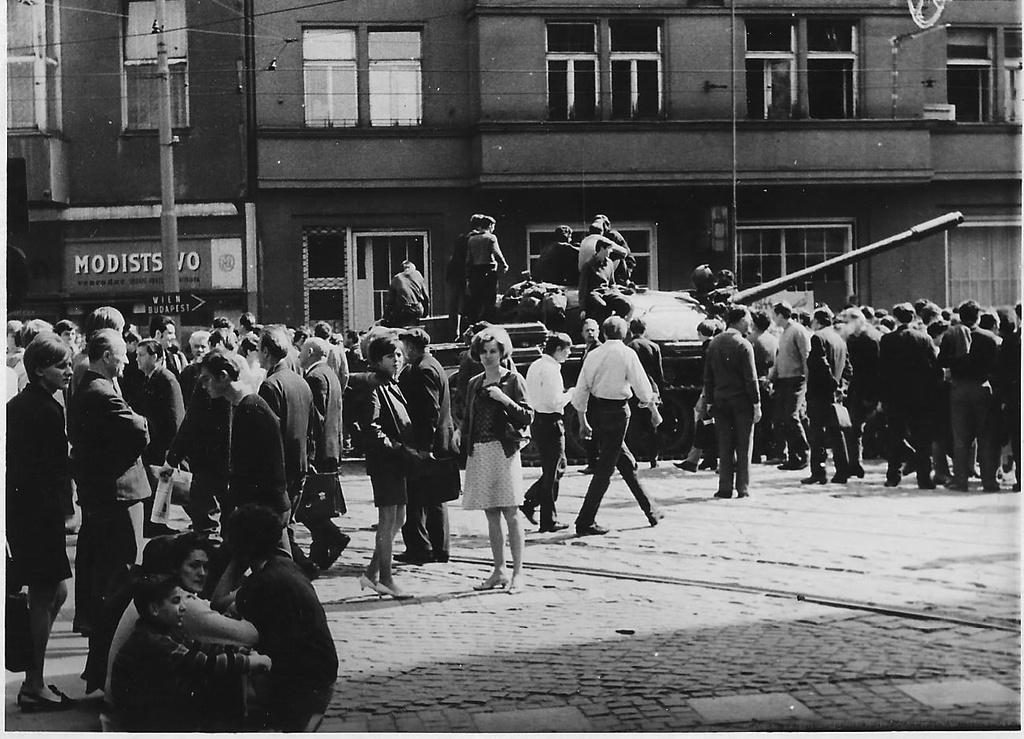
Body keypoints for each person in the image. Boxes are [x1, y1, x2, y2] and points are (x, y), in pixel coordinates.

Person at [211, 504, 338, 731]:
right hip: (321, 675)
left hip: (302, 686)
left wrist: (234, 562)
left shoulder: (260, 583)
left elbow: (218, 603)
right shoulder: (285, 566)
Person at [7, 332, 77, 712]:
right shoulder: (48, 409)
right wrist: (68, 508)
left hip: (24, 513)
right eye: (61, 365)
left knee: (54, 593)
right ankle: (33, 683)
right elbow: (54, 469)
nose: (67, 371)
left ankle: (34, 678)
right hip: (40, 514)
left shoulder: (19, 405)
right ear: (39, 369)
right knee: (45, 594)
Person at [104, 533, 260, 704]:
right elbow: (249, 636)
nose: (202, 573)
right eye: (194, 566)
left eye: (206, 567)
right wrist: (251, 586)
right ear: (176, 567)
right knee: (224, 674)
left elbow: (208, 624)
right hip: (133, 707)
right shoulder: (177, 603)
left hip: (127, 694)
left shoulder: (166, 593)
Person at [68, 329, 151, 639]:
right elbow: (138, 430)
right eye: (122, 355)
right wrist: (141, 421)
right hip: (118, 495)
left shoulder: (92, 387)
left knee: (103, 566)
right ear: (106, 357)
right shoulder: (101, 392)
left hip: (104, 492)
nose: (127, 361)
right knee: (123, 566)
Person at [109, 574, 271, 732]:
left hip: (152, 700)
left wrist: (239, 650)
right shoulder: (154, 640)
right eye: (176, 601)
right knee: (215, 681)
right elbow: (205, 663)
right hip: (142, 713)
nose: (184, 606)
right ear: (154, 609)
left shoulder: (165, 628)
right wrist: (251, 662)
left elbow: (198, 647)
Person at [455, 326, 533, 593]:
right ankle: (499, 570)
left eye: (493, 351)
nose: (488, 356)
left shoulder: (512, 380)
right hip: (480, 450)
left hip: (504, 450)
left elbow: (527, 415)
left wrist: (503, 399)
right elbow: (468, 417)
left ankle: (518, 573)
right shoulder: (474, 382)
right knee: (491, 513)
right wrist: (462, 439)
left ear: (502, 353)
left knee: (511, 512)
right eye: (484, 351)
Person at [572, 316, 663, 536]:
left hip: (597, 411)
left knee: (624, 462)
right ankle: (585, 520)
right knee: (606, 467)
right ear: (625, 334)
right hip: (619, 412)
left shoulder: (593, 355)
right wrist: (654, 411)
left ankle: (650, 510)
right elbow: (642, 388)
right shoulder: (627, 354)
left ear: (603, 333)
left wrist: (582, 420)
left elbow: (581, 389)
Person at [195, 349, 290, 542]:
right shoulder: (247, 405)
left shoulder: (250, 409)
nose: (203, 386)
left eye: (207, 379)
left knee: (271, 564)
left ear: (223, 376)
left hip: (265, 508)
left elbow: (252, 469)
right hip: (268, 505)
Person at [354, 332, 418, 598]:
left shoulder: (392, 383)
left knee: (399, 517)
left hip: (396, 460)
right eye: (391, 356)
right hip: (385, 462)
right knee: (388, 519)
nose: (397, 360)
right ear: (377, 360)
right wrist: (395, 448)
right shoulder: (374, 385)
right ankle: (386, 579)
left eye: (399, 355)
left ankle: (371, 574)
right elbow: (371, 427)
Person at [257, 326, 319, 578]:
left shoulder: (271, 386)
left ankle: (292, 574)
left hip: (280, 471)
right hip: (300, 466)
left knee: (276, 527)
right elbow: (312, 428)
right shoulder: (300, 383)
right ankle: (301, 567)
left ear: (265, 351)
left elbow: (269, 437)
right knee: (285, 525)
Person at [396, 327, 460, 564]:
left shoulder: (423, 370)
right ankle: (437, 549)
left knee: (421, 498)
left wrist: (425, 446)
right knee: (434, 498)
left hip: (429, 445)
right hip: (439, 441)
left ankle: (423, 548)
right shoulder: (433, 365)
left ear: (411, 347)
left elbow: (429, 411)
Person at [938, 300, 1001, 492]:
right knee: (986, 437)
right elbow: (995, 367)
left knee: (961, 438)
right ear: (978, 316)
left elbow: (941, 360)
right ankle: (989, 481)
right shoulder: (989, 338)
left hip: (959, 388)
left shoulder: (951, 335)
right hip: (982, 388)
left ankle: (961, 480)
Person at [299, 337, 351, 570]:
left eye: (301, 350)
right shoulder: (330, 374)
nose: (298, 355)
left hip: (320, 452)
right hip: (331, 449)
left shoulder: (315, 377)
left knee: (308, 507)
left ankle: (334, 536)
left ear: (310, 351)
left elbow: (315, 420)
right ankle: (319, 553)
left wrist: (309, 455)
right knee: (316, 505)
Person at [880, 303, 942, 489]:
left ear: (896, 318)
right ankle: (924, 477)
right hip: (919, 395)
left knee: (895, 435)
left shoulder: (887, 340)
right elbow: (934, 367)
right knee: (922, 436)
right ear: (913, 317)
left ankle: (893, 475)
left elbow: (882, 370)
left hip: (896, 395)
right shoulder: (924, 338)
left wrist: (884, 396)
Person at [703, 306, 762, 499]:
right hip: (742, 402)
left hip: (720, 401)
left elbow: (708, 377)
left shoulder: (714, 343)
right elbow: (751, 379)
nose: (750, 323)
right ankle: (743, 488)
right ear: (740, 321)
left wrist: (709, 402)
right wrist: (756, 404)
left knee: (725, 445)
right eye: (748, 320)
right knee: (744, 445)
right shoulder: (744, 345)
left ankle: (724, 487)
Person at [521, 332, 574, 532]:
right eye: (567, 350)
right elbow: (554, 401)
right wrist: (570, 394)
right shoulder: (552, 370)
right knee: (555, 470)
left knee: (553, 468)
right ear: (559, 350)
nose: (569, 354)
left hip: (537, 421)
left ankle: (532, 503)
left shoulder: (536, 365)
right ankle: (546, 518)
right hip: (551, 421)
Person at [135, 339, 186, 536]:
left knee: (160, 487)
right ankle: (153, 524)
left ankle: (157, 525)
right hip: (151, 445)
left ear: (154, 357)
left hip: (161, 446)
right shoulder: (150, 378)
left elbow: (175, 419)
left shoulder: (166, 380)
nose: (137, 359)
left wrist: (169, 450)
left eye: (141, 355)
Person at [801, 307, 852, 485]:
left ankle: (818, 471)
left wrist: (831, 384)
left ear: (817, 321)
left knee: (817, 435)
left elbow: (820, 364)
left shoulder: (818, 338)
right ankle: (842, 470)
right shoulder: (839, 339)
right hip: (834, 394)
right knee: (836, 433)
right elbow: (848, 367)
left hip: (819, 392)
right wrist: (841, 387)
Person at [838, 307, 880, 479]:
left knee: (858, 427)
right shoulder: (857, 338)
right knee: (855, 427)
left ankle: (913, 457)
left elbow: (875, 369)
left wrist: (872, 395)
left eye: (847, 322)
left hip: (865, 390)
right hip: (858, 390)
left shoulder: (869, 340)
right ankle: (855, 464)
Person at [767, 301, 810, 471]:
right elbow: (779, 361)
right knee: (782, 419)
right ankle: (793, 457)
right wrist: (771, 378)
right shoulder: (784, 333)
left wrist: (808, 381)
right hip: (784, 382)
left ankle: (803, 454)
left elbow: (806, 357)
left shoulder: (798, 331)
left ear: (780, 314)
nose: (773, 318)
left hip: (797, 380)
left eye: (774, 314)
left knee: (791, 417)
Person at [627, 317, 665, 468]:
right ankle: (653, 459)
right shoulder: (654, 346)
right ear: (644, 329)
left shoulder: (629, 346)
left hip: (635, 388)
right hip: (651, 387)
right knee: (652, 426)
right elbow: (659, 372)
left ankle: (633, 459)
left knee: (634, 425)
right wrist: (659, 393)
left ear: (631, 330)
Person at [463, 214, 509, 324]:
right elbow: (496, 253)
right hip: (488, 271)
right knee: (489, 300)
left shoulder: (471, 239)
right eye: (493, 226)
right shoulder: (491, 238)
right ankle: (489, 323)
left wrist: (468, 275)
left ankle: (475, 324)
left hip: (475, 272)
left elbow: (469, 259)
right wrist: (504, 264)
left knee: (476, 300)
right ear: (489, 226)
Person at [748, 310, 779, 464]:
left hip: (755, 382)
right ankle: (771, 451)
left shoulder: (750, 340)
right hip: (769, 382)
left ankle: (755, 453)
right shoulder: (774, 340)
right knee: (768, 420)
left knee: (754, 421)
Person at [579, 238, 632, 325]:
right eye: (608, 249)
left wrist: (618, 294)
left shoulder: (610, 263)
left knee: (625, 304)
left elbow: (612, 284)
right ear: (602, 249)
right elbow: (582, 288)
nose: (610, 251)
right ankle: (601, 328)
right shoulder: (588, 265)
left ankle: (612, 324)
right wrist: (582, 308)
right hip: (594, 293)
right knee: (602, 306)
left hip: (606, 292)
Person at [382, 260, 430, 328]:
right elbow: (426, 298)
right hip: (418, 310)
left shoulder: (397, 278)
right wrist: (426, 314)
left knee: (389, 323)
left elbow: (390, 302)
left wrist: (385, 317)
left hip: (404, 311)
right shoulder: (418, 275)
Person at [446, 226, 471, 339]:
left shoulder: (453, 259)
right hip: (464, 282)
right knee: (464, 307)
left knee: (454, 308)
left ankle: (454, 333)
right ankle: (463, 332)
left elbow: (448, 277)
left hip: (454, 282)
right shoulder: (467, 258)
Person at [178, 329, 211, 407]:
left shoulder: (212, 370)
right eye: (196, 346)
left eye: (203, 347)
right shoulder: (187, 371)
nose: (199, 350)